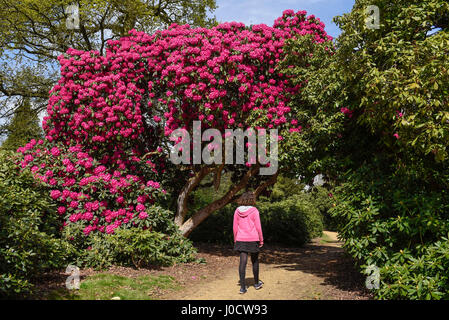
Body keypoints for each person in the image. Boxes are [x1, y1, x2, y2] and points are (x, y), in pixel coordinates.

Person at [233, 191, 264, 294]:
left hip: (241, 238)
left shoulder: (237, 211)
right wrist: (261, 239)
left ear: (242, 199)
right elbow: (258, 227)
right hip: (253, 238)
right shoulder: (254, 210)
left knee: (243, 262)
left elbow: (234, 227)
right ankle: (256, 283)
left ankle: (242, 287)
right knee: (255, 261)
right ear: (252, 199)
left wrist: (235, 238)